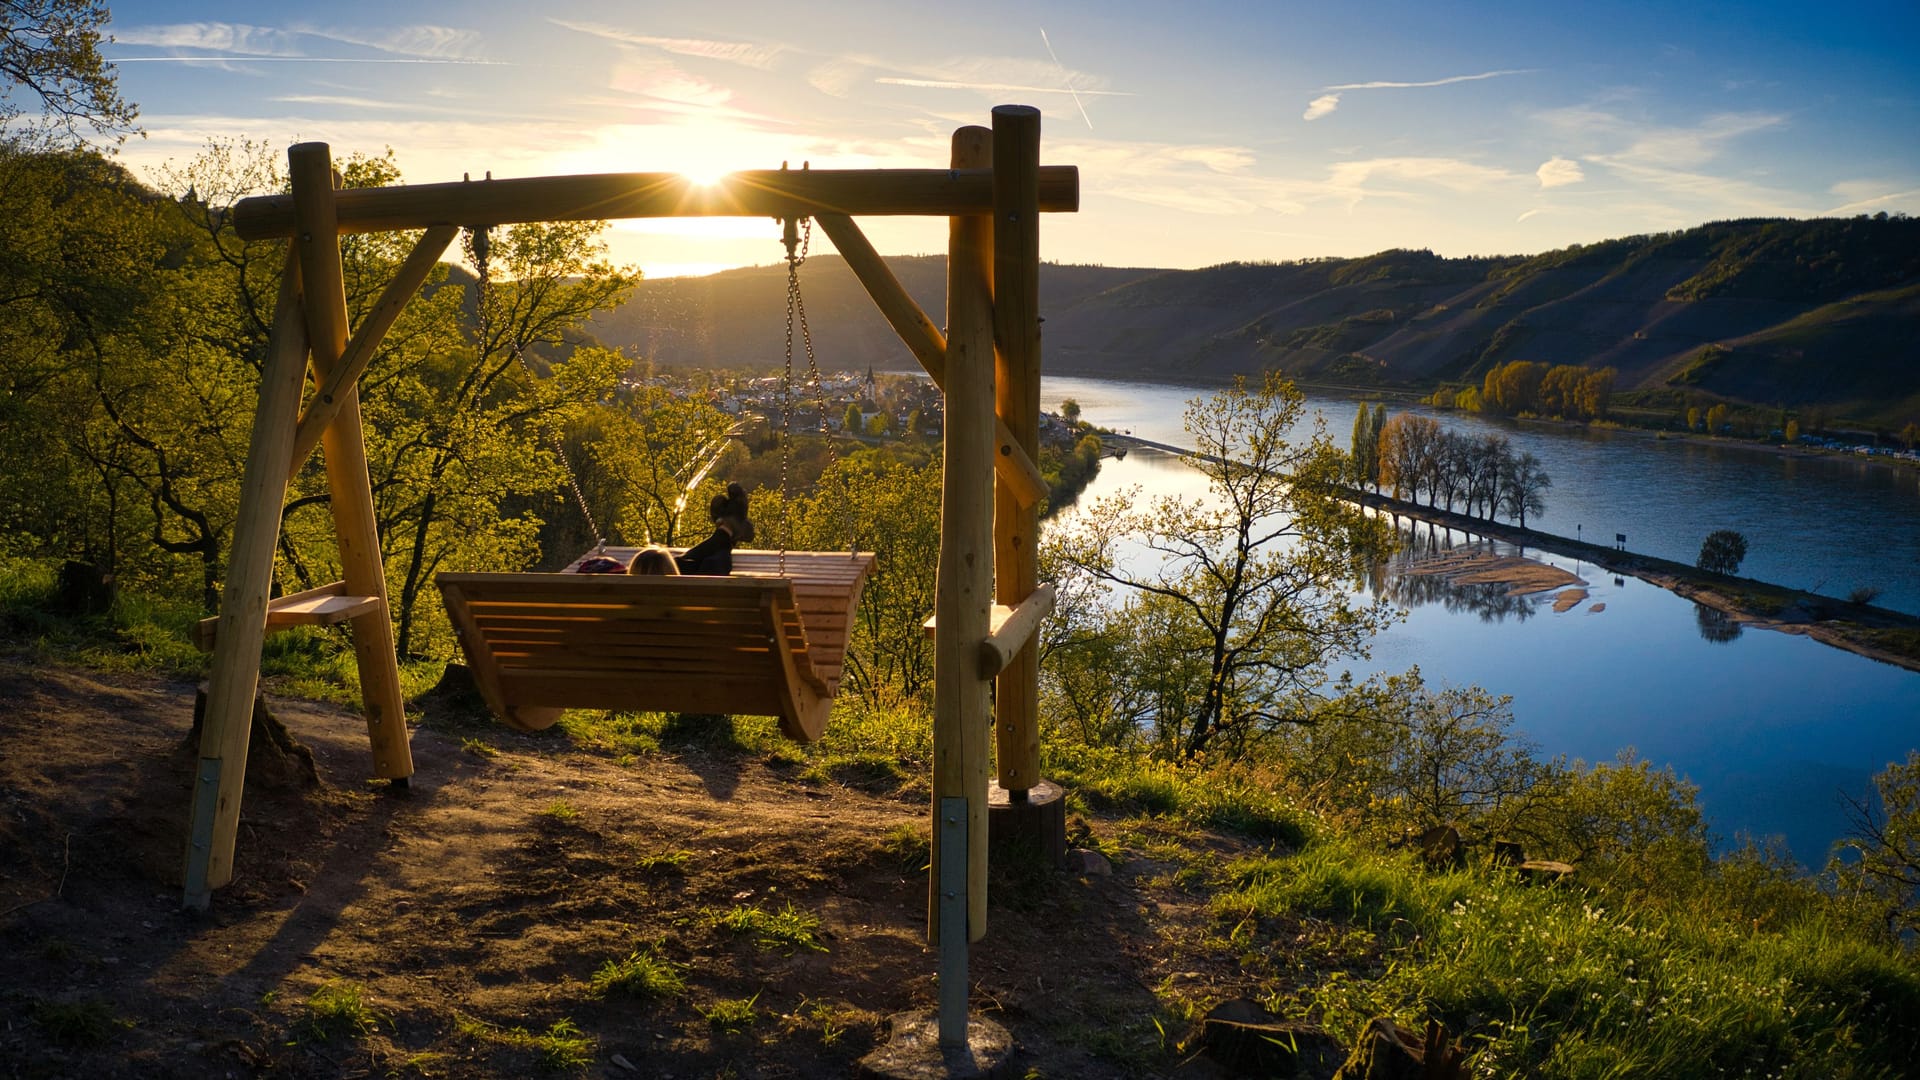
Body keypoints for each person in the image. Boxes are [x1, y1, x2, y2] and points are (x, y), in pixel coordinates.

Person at [676, 482, 755, 576]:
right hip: (707, 584)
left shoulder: (709, 555)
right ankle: (728, 527)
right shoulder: (720, 559)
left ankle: (724, 527)